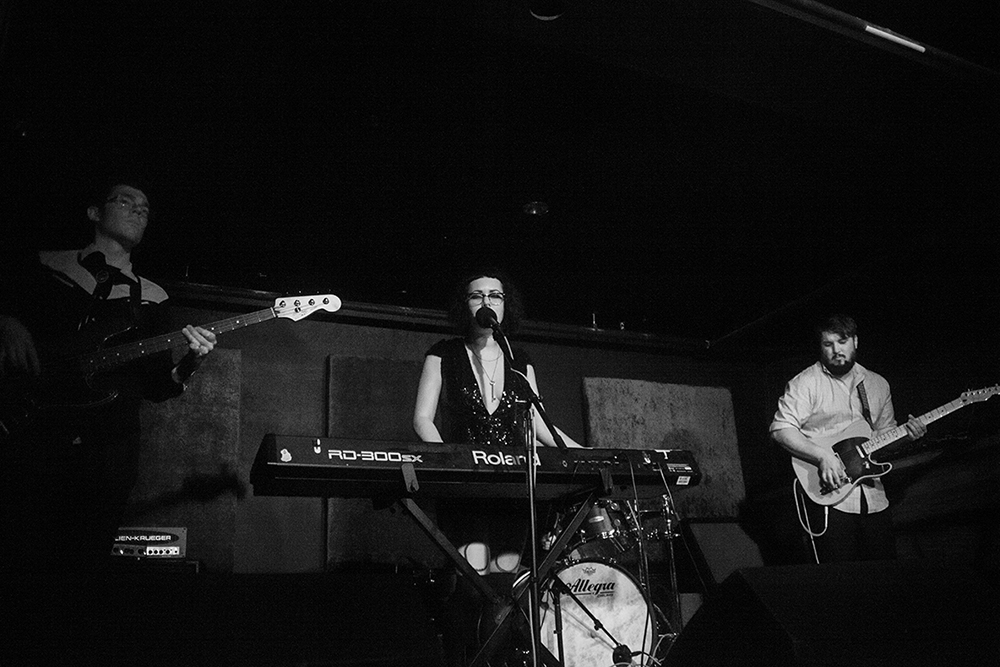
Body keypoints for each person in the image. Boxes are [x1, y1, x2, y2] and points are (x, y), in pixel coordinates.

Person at [0, 180, 217, 578]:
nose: (138, 211)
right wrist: (7, 320)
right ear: (94, 212)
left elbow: (157, 385)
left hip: (107, 449)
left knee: (84, 565)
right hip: (30, 433)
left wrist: (191, 362)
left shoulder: (152, 297)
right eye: (126, 201)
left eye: (145, 209)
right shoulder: (44, 265)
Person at [413, 269, 582, 666]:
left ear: (506, 307)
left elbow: (539, 422)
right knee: (473, 584)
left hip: (512, 488)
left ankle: (497, 660)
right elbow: (422, 420)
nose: (487, 303)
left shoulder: (519, 359)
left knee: (505, 583)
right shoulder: (443, 353)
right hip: (464, 486)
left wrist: (585, 451)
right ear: (465, 306)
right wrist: (451, 466)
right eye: (477, 296)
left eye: (496, 296)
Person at [769, 314, 926, 563]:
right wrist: (822, 457)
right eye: (828, 344)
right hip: (831, 497)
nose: (836, 350)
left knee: (886, 577)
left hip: (874, 497)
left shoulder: (877, 384)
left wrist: (908, 436)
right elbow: (780, 428)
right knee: (841, 580)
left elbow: (884, 434)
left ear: (855, 342)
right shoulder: (806, 383)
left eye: (841, 342)